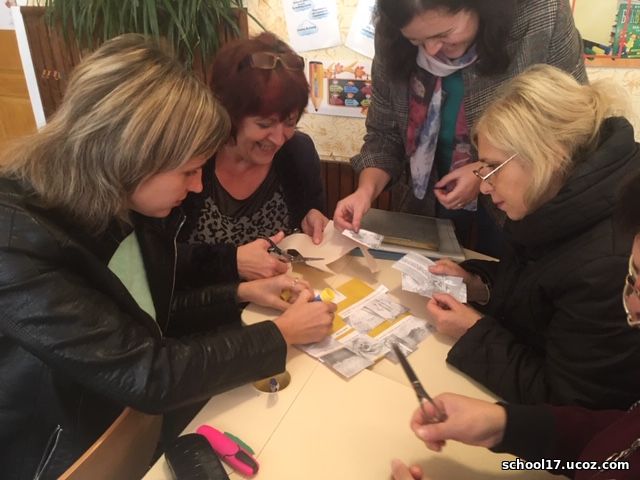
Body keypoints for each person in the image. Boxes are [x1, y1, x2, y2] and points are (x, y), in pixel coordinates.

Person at [0, 34, 336, 480]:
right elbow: (148, 372)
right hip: (72, 457)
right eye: (189, 171)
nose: (198, 186)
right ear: (130, 155)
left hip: (137, 426)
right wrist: (280, 335)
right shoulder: (16, 246)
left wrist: (242, 292)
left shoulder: (126, 203)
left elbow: (154, 315)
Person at [392, 171, 640, 480]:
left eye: (494, 166)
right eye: (634, 278)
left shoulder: (597, 261)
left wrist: (475, 333)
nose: (631, 309)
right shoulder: (547, 225)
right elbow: (614, 443)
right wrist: (502, 425)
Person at [421, 64, 640, 410]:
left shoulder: (611, 264)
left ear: (550, 155)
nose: (485, 185)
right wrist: (480, 287)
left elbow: (570, 409)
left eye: (493, 167)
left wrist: (473, 333)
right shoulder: (557, 200)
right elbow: (537, 292)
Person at [333, 0, 586, 257]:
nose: (431, 51)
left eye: (444, 34)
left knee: (502, 271)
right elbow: (384, 134)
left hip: (519, 197)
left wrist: (483, 173)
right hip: (426, 195)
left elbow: (570, 130)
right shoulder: (393, 33)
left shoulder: (541, 15)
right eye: (416, 41)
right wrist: (365, 191)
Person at [179, 32, 329, 281]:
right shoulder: (192, 160)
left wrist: (311, 216)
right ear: (230, 114)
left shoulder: (297, 153)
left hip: (283, 296)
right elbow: (160, 261)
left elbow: (307, 226)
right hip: (204, 303)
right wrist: (230, 263)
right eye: (264, 124)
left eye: (290, 122)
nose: (279, 138)